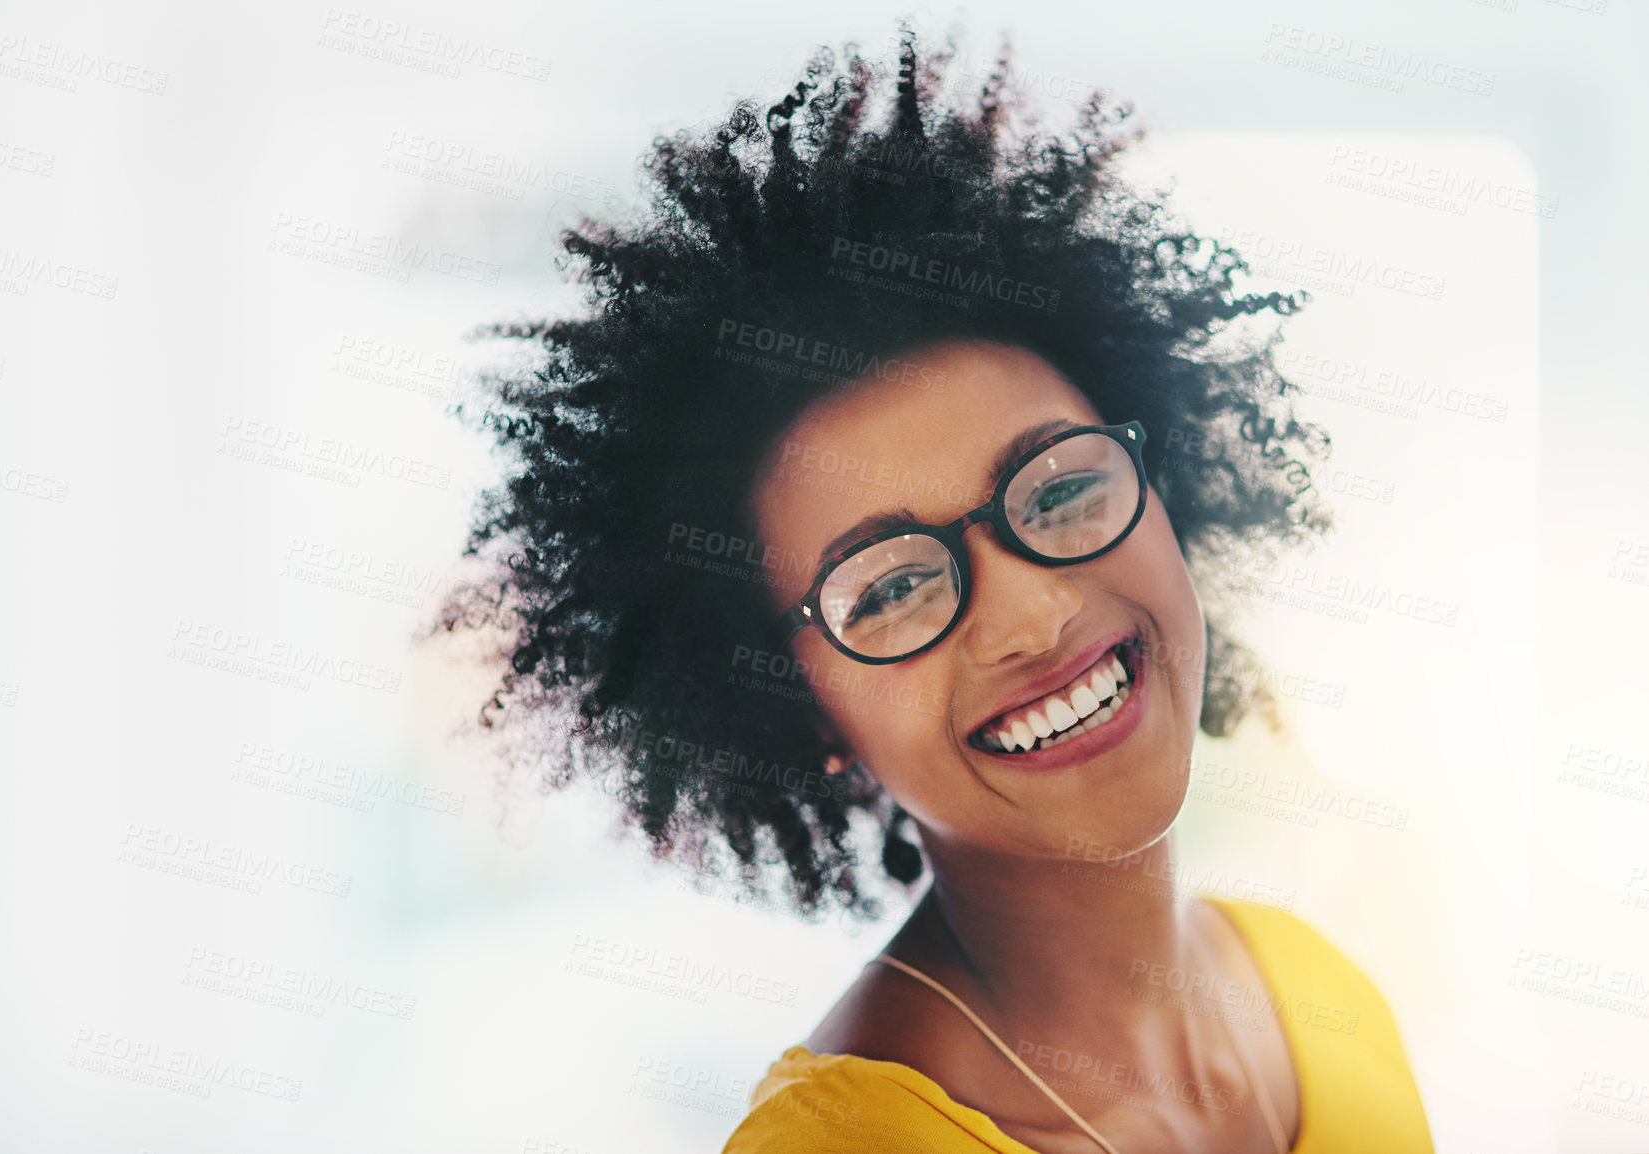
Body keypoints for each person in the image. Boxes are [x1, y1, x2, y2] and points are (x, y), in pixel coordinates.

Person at [435, 28, 1436, 1153]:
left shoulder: (1317, 992)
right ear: (797, 702)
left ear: (1166, 497)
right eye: (893, 586)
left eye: (1056, 493)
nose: (1029, 614)